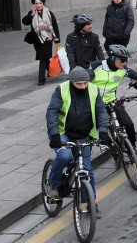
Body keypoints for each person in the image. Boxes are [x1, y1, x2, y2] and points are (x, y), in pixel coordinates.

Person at [44, 67, 109, 217]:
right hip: (62, 133)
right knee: (65, 156)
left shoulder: (93, 90)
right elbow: (52, 111)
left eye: (85, 83)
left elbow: (101, 111)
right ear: (71, 82)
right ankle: (53, 184)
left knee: (87, 170)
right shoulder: (61, 90)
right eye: (79, 84)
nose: (82, 86)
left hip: (83, 134)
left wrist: (104, 131)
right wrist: (54, 135)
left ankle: (89, 204)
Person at [89, 44, 137, 148]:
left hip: (111, 102)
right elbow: (79, 83)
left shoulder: (123, 70)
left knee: (128, 124)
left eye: (126, 61)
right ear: (112, 58)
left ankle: (132, 148)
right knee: (89, 132)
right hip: (93, 105)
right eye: (123, 60)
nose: (125, 63)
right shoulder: (95, 67)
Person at [22, 0, 60, 86]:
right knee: (45, 57)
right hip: (37, 40)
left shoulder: (49, 13)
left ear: (43, 3)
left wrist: (57, 41)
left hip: (47, 39)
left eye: (40, 3)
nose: (38, 5)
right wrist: (32, 14)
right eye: (36, 3)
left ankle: (41, 79)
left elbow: (55, 27)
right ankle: (51, 72)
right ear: (33, 5)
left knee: (42, 59)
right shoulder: (31, 13)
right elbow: (24, 22)